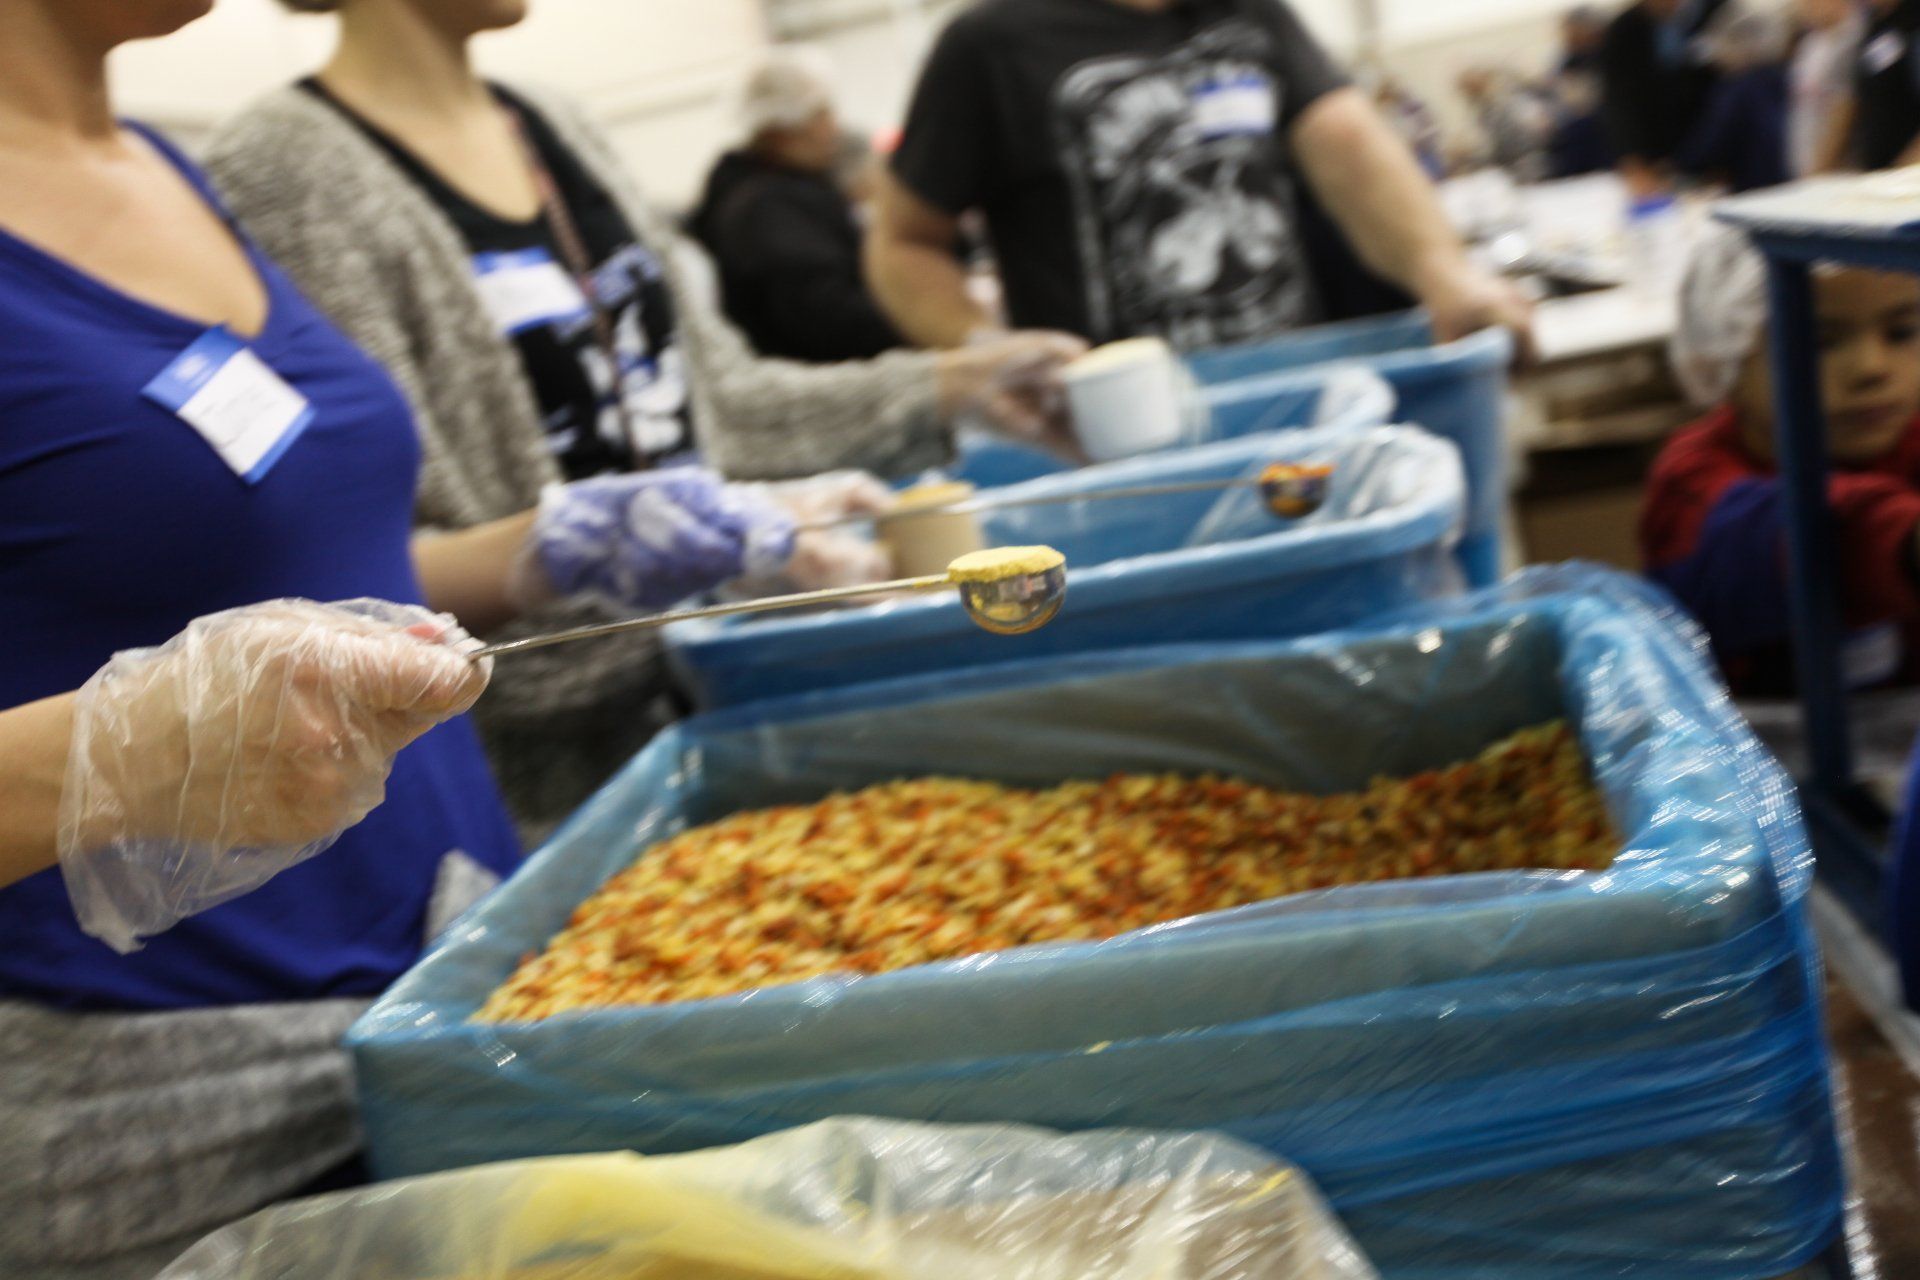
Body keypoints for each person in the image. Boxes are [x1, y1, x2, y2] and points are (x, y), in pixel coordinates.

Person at [0, 1, 889, 1273]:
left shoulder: (156, 158)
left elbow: (284, 559)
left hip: (453, 1001)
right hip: (167, 1127)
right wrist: (122, 751)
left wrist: (545, 546)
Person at [208, 0, 1084, 837]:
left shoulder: (549, 121)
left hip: (714, 691)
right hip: (527, 778)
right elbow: (354, 552)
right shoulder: (286, 171)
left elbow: (720, 402)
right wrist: (589, 550)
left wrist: (949, 383)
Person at [864, 0, 1534, 357]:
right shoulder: (991, 43)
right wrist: (989, 352)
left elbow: (1348, 141)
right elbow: (903, 242)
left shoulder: (1248, 13)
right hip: (1115, 442)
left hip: (1289, 393)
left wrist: (1444, 275)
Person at [1641, 226, 1920, 696]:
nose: (1872, 368)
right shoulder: (1692, 484)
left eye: (1902, 332)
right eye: (1819, 342)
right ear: (1723, 361)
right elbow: (1812, 534)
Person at [691, 51, 906, 362]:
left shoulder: (776, 195)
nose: (833, 130)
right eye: (821, 116)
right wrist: (917, 318)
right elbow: (830, 318)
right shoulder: (767, 209)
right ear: (780, 132)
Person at [1600, 0, 1734, 195]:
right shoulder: (1623, 30)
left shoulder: (1717, 12)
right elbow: (1618, 102)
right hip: (1659, 154)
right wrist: (1633, 159)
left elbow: (1731, 95)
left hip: (1715, 150)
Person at [1676, 6, 1792, 192]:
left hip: (1750, 185)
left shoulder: (1738, 88)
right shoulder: (1779, 78)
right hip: (1783, 180)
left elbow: (1713, 139)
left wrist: (1680, 165)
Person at [1836, 0, 1920, 170]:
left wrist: (1901, 170)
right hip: (1880, 171)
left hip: (1908, 173)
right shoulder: (1875, 25)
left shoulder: (1912, 19)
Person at [1792, 0, 1866, 175]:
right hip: (1806, 157)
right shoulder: (1811, 43)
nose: (1806, 7)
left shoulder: (1855, 38)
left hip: (1839, 168)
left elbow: (1845, 107)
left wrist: (1821, 166)